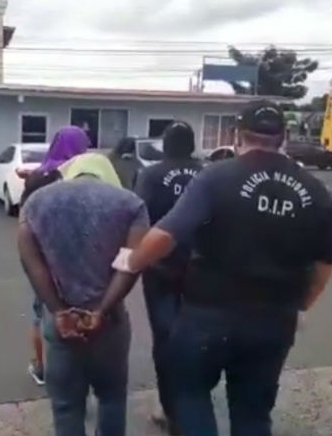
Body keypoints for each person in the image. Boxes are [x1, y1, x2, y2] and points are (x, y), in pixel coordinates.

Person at [114, 100, 332, 436]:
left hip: (209, 315)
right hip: (274, 321)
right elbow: (323, 266)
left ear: (236, 135)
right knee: (253, 413)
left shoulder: (217, 177)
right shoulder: (316, 191)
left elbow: (165, 234)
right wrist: (299, 304)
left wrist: (130, 260)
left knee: (191, 396)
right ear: (284, 136)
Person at [17, 153, 149, 436]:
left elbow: (32, 263)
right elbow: (130, 263)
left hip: (61, 325)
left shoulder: (36, 203)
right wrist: (102, 309)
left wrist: (58, 310)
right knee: (112, 399)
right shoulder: (130, 204)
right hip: (109, 323)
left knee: (66, 407)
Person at [133, 121, 202, 433]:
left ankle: (170, 409)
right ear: (192, 145)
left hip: (160, 269)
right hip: (202, 270)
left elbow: (139, 217)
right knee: (200, 338)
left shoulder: (151, 174)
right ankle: (194, 403)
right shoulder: (209, 174)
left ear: (166, 145)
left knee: (165, 339)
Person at [19, 126, 90, 386]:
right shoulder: (85, 177)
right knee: (80, 310)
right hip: (79, 258)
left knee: (41, 312)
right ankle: (78, 367)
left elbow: (24, 218)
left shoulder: (38, 177)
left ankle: (41, 367)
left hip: (43, 256)